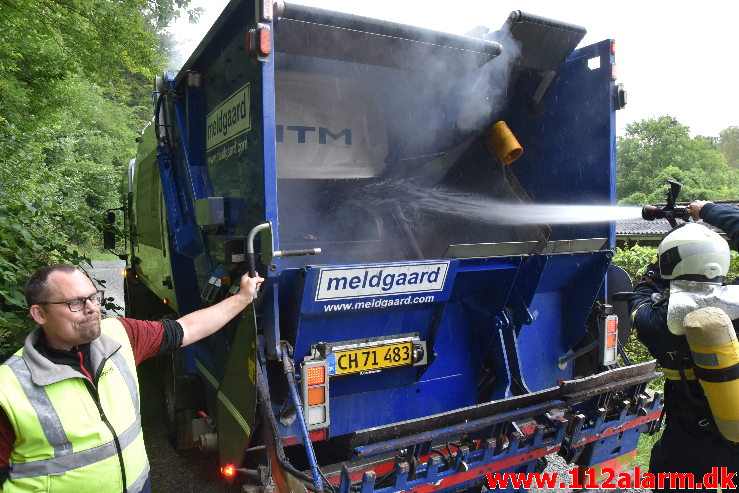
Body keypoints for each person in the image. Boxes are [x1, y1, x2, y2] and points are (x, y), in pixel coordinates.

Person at [0, 264, 264, 493]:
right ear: (39, 314)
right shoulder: (9, 388)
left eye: (93, 297)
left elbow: (188, 329)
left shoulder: (119, 336)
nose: (92, 309)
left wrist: (242, 297)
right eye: (75, 303)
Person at [629, 200, 739, 492]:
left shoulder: (654, 322)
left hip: (688, 447)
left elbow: (641, 293)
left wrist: (657, 264)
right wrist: (708, 211)